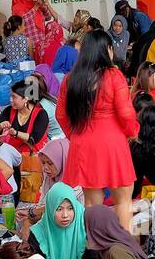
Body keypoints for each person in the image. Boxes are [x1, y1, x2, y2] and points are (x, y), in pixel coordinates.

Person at [57, 31, 138, 230]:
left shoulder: (70, 78)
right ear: (107, 50)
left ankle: (96, 250)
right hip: (112, 143)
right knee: (122, 201)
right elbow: (126, 113)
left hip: (83, 143)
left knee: (92, 203)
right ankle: (123, 250)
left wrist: (75, 135)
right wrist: (132, 133)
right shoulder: (114, 75)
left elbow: (61, 115)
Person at [1, 79, 50, 154]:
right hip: (14, 154)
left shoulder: (41, 114)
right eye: (10, 96)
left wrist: (16, 133)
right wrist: (0, 126)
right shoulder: (9, 110)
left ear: (25, 99)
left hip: (34, 156)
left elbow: (33, 139)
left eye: (14, 97)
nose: (10, 100)